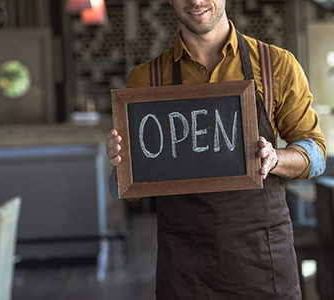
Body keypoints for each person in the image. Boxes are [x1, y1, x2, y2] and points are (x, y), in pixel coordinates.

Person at [107, 0, 326, 299]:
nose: (196, 1)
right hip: (185, 268)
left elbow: (315, 155)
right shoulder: (146, 79)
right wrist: (120, 166)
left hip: (263, 261)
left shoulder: (276, 64)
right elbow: (128, 191)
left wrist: (275, 159)